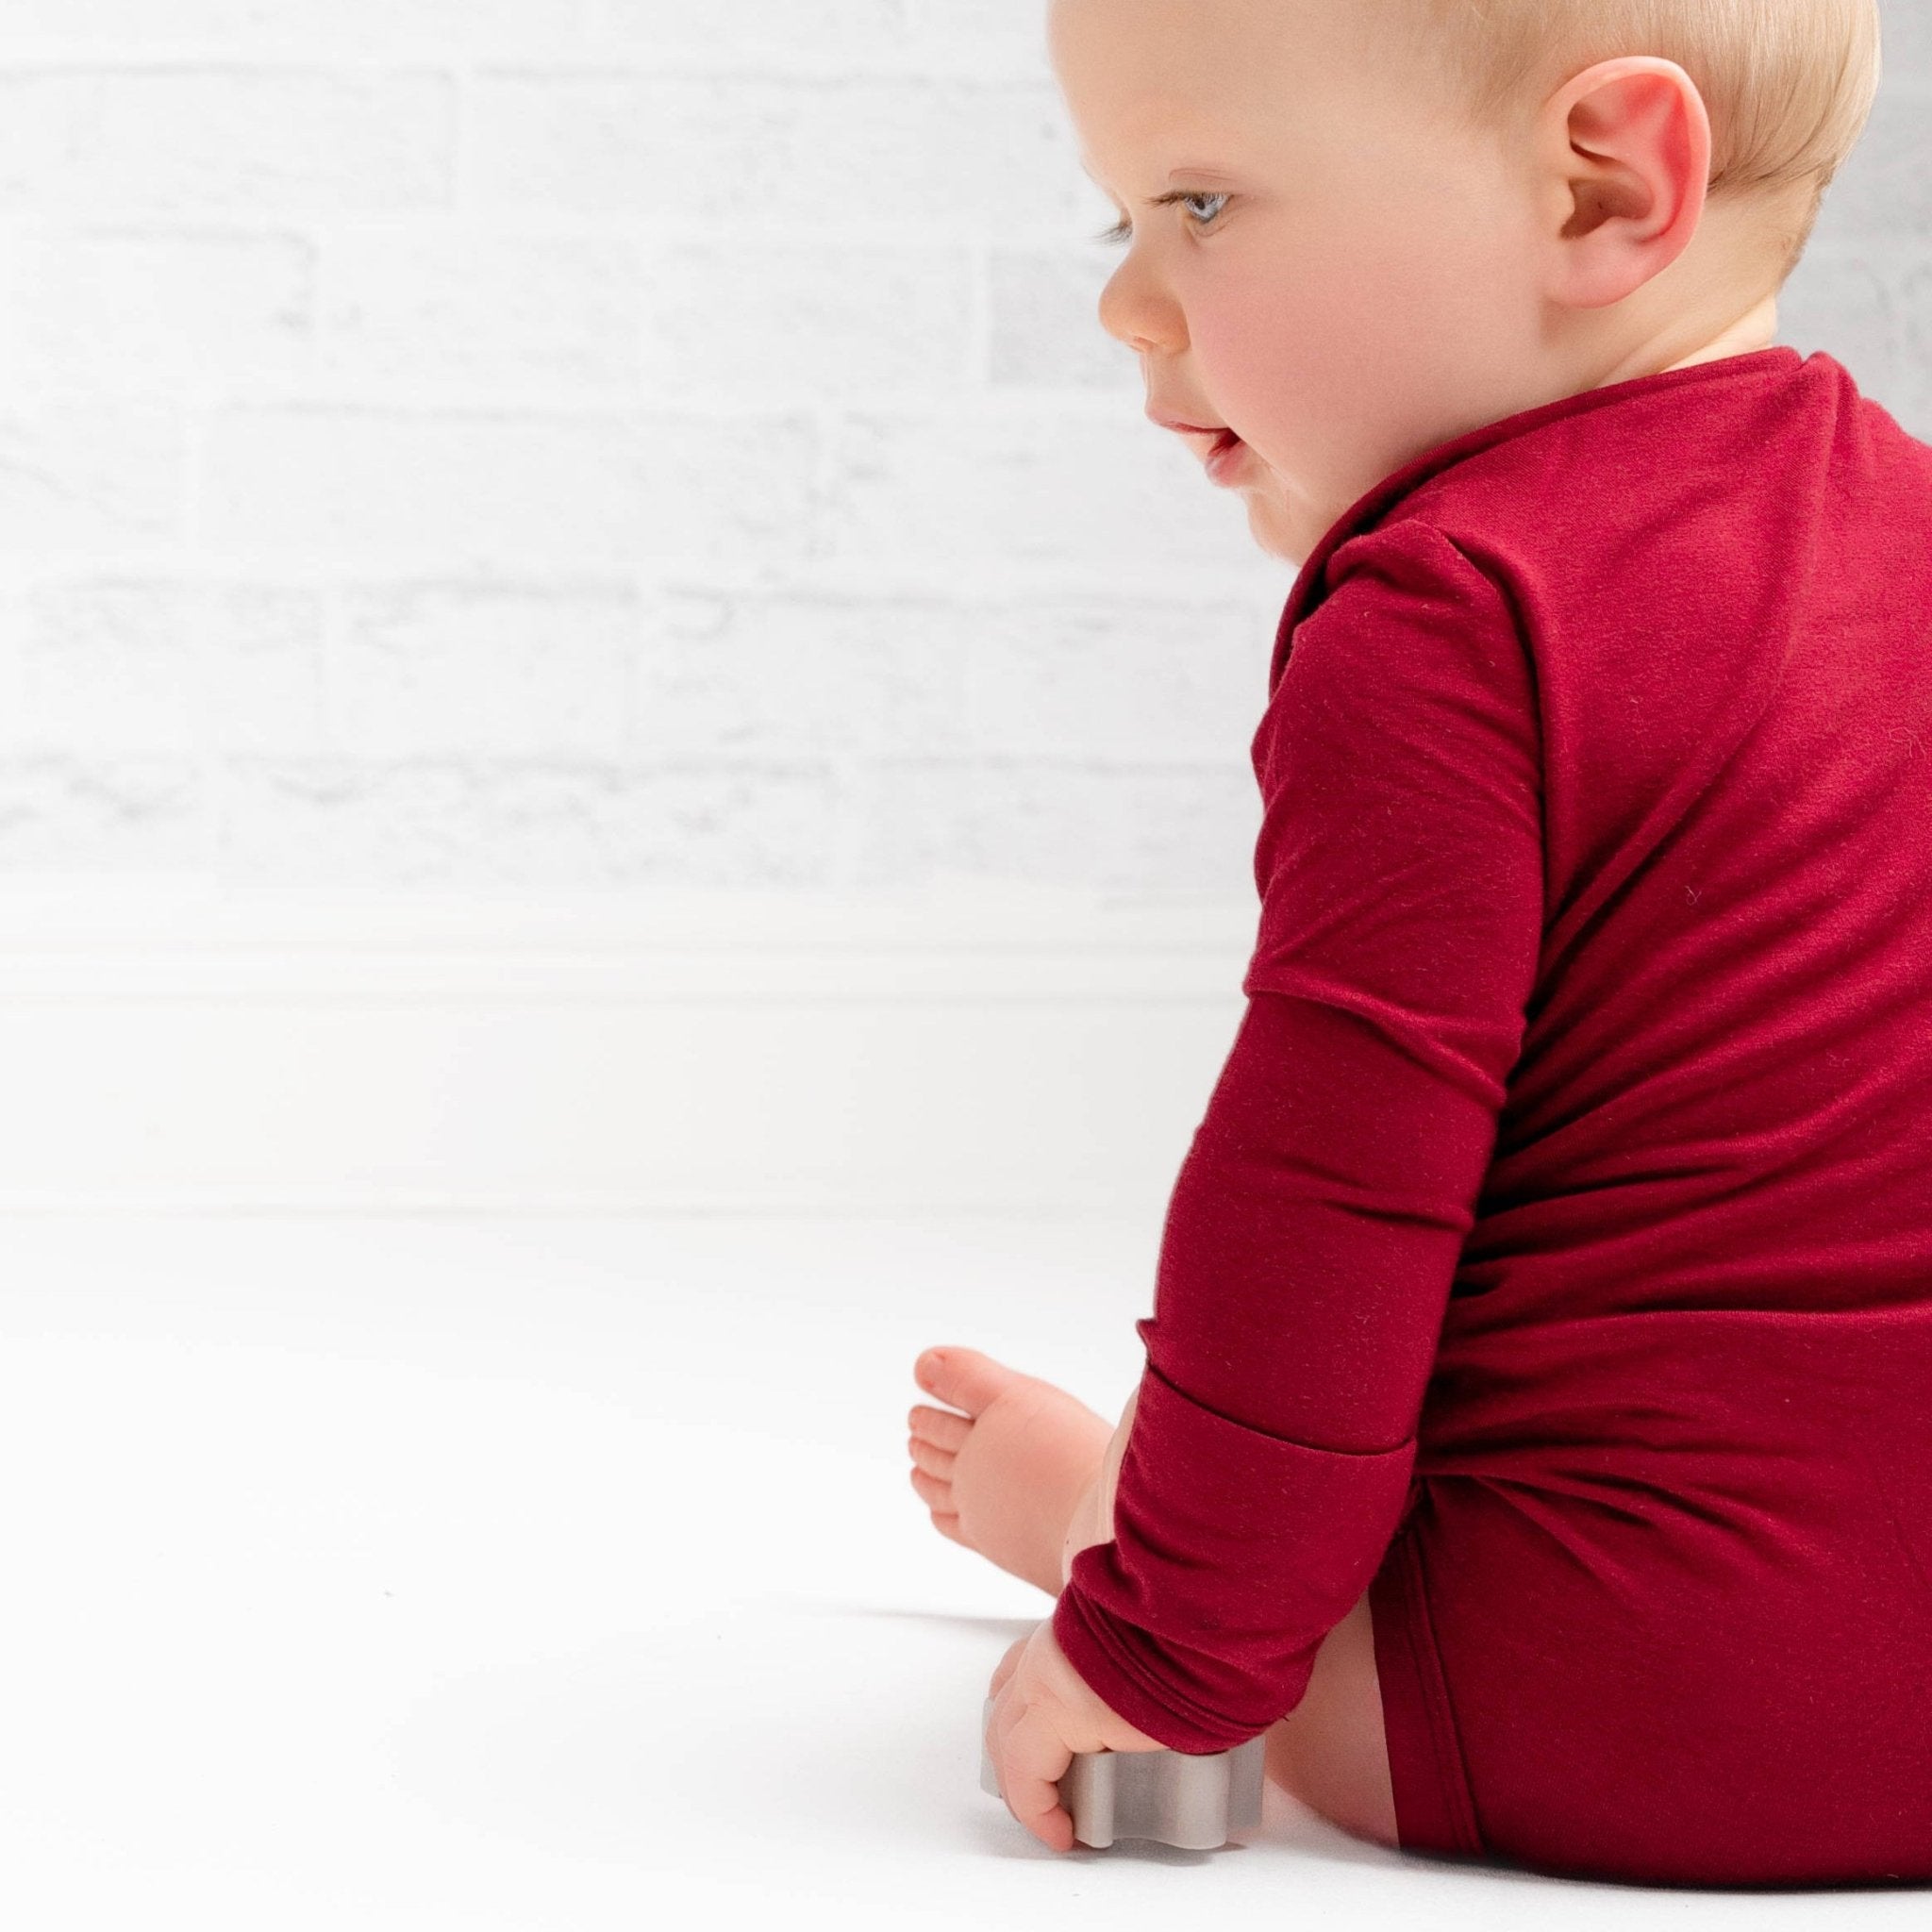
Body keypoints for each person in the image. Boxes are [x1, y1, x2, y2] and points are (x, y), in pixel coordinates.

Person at [907, 0, 1930, 1889]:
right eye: (1119, 221)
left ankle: (1099, 1518)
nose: (1131, 302)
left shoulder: (1445, 604)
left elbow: (1327, 1209)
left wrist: (1154, 1642)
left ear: (1602, 185)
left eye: (1199, 203)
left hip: (1634, 1711)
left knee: (1246, 1388)